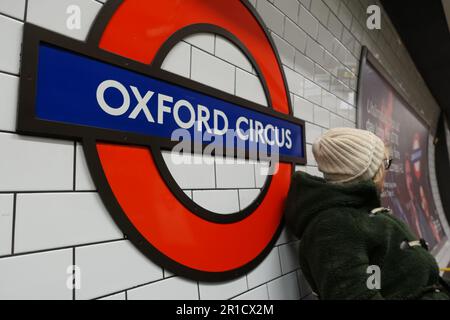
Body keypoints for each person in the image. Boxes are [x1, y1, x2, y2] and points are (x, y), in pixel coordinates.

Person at [283, 127, 450, 300]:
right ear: (369, 172)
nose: (386, 171)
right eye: (385, 164)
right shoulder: (333, 227)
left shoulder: (354, 211)